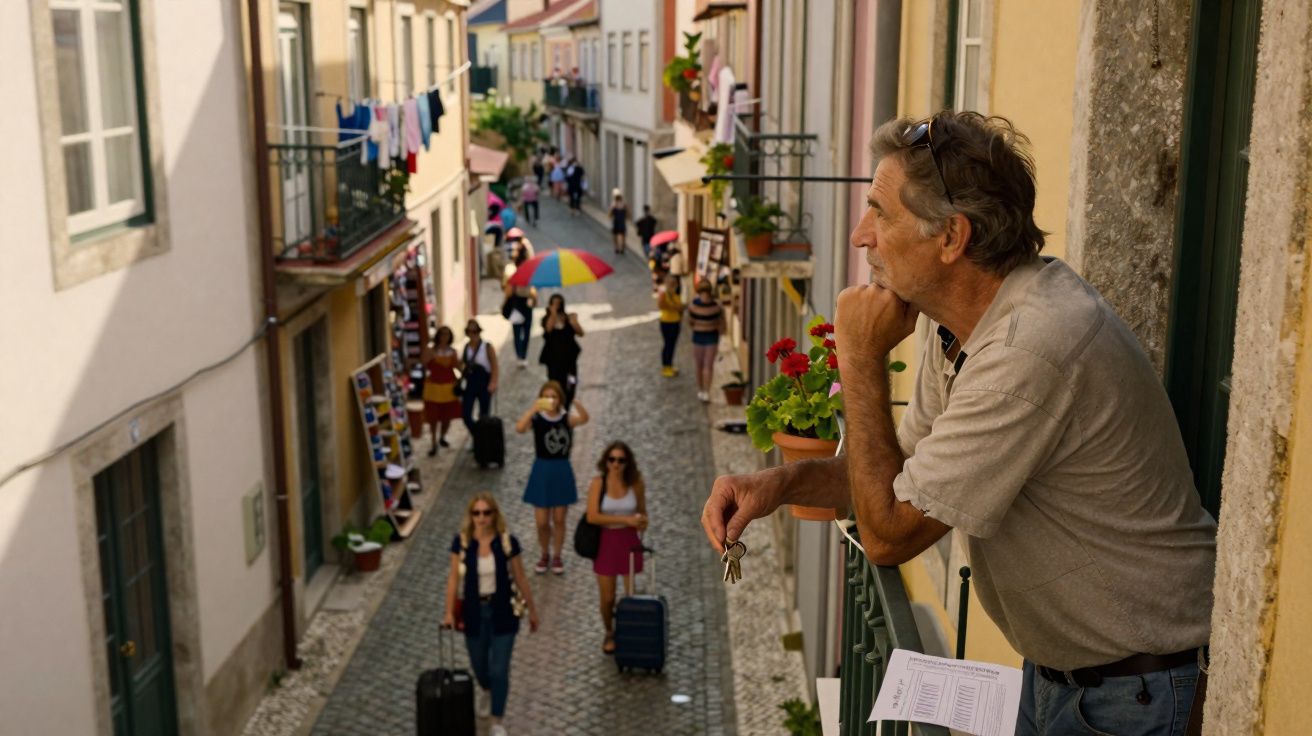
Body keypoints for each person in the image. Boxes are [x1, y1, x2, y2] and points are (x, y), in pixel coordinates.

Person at [700, 112, 1216, 736]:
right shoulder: (958, 325)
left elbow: (889, 534)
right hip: (1068, 676)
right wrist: (778, 487)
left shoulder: (1028, 349)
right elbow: (894, 478)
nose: (862, 236)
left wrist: (860, 358)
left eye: (880, 213)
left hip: (1138, 690)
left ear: (951, 238)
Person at [443, 493, 539, 733]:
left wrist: (532, 609)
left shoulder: (507, 543)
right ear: (471, 515)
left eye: (486, 513)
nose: (481, 518)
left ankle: (497, 720)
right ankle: (486, 689)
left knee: (499, 668)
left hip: (503, 612)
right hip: (474, 612)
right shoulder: (462, 543)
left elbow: (520, 576)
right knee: (479, 664)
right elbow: (453, 578)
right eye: (477, 513)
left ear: (494, 515)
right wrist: (448, 612)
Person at [515, 381, 590, 575]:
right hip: (542, 469)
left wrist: (576, 403)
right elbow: (520, 428)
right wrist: (533, 409)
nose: (551, 400)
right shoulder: (538, 419)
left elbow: (584, 418)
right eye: (546, 396)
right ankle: (544, 552)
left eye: (554, 396)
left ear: (559, 400)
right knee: (541, 522)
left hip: (561, 470)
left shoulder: (566, 419)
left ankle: (556, 555)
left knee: (559, 519)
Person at [585, 441, 647, 654]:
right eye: (612, 459)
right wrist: (625, 519)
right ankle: (609, 631)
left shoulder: (636, 483)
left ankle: (628, 630)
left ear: (627, 462)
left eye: (620, 460)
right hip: (606, 541)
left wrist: (640, 522)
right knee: (608, 597)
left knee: (630, 594)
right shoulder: (598, 483)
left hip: (629, 541)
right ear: (606, 461)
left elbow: (643, 512)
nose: (616, 464)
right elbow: (592, 516)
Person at [421, 326, 462, 455]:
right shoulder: (431, 350)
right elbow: (423, 362)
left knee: (447, 416)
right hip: (433, 387)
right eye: (442, 334)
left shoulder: (453, 352)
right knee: (433, 417)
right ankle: (433, 442)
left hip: (448, 387)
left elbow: (458, 367)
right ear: (438, 336)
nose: (445, 337)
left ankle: (442, 436)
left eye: (447, 334)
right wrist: (430, 354)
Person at [538, 294, 584, 408]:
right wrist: (553, 313)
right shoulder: (546, 319)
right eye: (554, 303)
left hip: (570, 360)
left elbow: (581, 333)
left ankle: (568, 405)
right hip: (553, 360)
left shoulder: (569, 318)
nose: (557, 306)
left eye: (558, 303)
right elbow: (548, 328)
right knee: (555, 385)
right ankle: (555, 408)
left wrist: (574, 322)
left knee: (572, 383)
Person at [459, 319, 499, 437]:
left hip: (484, 382)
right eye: (470, 331)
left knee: (484, 415)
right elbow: (462, 364)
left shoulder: (486, 347)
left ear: (479, 332)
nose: (472, 334)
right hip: (470, 382)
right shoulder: (466, 347)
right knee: (466, 414)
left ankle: (483, 439)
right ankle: (477, 435)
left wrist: (493, 382)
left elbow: (494, 365)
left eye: (475, 331)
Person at [687, 281, 725, 402]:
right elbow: (721, 323)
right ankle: (706, 392)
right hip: (711, 337)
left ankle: (702, 390)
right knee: (707, 366)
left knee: (701, 365)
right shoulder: (717, 306)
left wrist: (699, 326)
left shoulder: (693, 306)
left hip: (699, 336)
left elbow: (690, 322)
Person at [503, 249, 537, 368]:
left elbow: (508, 291)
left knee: (517, 332)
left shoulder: (514, 274)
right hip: (526, 303)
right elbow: (533, 292)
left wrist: (505, 303)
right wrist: (534, 301)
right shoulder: (529, 274)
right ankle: (523, 356)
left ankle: (520, 356)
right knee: (526, 332)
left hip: (517, 304)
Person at [656, 275, 684, 378]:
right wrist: (674, 306)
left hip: (675, 322)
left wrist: (676, 307)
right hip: (666, 322)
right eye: (670, 283)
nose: (673, 285)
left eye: (674, 283)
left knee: (672, 345)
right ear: (666, 283)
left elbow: (681, 307)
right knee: (667, 345)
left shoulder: (676, 295)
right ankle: (665, 368)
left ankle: (670, 366)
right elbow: (661, 305)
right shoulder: (663, 295)